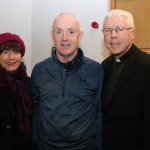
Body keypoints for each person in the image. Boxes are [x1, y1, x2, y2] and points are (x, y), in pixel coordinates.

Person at [31, 12, 103, 150]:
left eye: (71, 32)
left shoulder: (95, 70)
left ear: (79, 35)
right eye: (59, 32)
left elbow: (98, 112)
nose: (64, 38)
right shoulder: (39, 70)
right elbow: (36, 112)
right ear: (52, 36)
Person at [101, 9, 150, 150]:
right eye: (108, 30)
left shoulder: (146, 66)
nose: (113, 35)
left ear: (132, 33)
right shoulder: (104, 66)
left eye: (119, 29)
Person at [0, 32, 33, 150]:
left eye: (16, 52)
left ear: (21, 56)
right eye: (5, 52)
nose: (11, 57)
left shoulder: (30, 84)